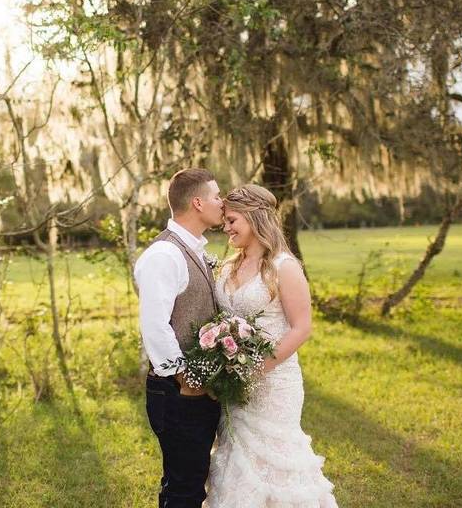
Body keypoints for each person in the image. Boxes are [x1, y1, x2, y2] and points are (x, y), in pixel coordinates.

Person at [205, 184, 338, 508]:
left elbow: (302, 328)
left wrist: (256, 367)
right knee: (235, 459)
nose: (226, 228)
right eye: (225, 221)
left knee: (276, 464)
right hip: (234, 387)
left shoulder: (284, 266)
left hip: (275, 385)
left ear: (255, 218)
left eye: (233, 220)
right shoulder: (228, 265)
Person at [136, 167, 225, 508]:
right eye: (217, 196)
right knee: (184, 490)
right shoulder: (165, 255)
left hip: (193, 391)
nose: (223, 202)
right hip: (177, 392)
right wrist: (186, 379)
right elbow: (155, 325)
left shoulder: (193, 249)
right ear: (198, 202)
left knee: (188, 480)